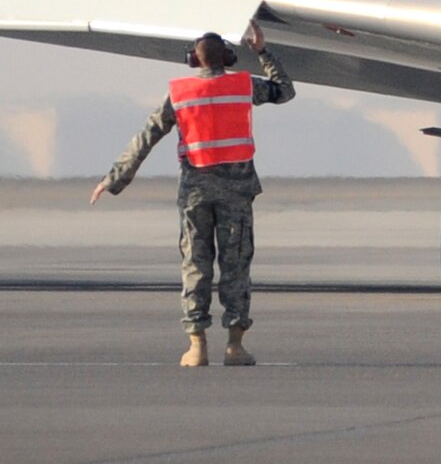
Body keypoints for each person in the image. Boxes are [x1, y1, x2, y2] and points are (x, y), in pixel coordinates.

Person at [90, 20, 295, 367]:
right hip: (237, 193)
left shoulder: (180, 93)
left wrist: (114, 178)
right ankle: (235, 345)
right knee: (236, 267)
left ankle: (197, 345)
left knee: (195, 266)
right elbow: (284, 90)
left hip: (195, 194)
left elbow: (147, 136)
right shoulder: (243, 85)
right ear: (228, 58)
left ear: (193, 61)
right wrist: (261, 51)